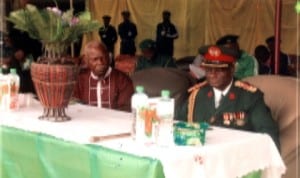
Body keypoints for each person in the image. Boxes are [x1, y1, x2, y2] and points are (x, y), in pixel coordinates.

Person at [178, 45, 280, 149]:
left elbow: (269, 138)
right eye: (209, 69)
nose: (213, 74)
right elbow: (176, 126)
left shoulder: (250, 97)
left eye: (219, 69)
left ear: (232, 69)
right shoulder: (197, 96)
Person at [73, 41, 134, 112]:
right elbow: (76, 107)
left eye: (103, 58)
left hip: (114, 121)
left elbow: (125, 110)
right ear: (86, 61)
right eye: (95, 59)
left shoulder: (123, 80)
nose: (100, 63)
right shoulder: (80, 81)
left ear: (109, 58)